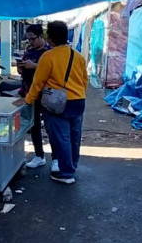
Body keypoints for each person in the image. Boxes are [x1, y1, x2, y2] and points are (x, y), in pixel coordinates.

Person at [14, 21, 88, 185]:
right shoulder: (78, 56)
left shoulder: (48, 57)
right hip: (78, 101)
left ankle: (66, 173)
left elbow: (38, 83)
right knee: (74, 137)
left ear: (49, 38)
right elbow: (84, 80)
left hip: (57, 104)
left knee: (62, 138)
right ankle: (72, 167)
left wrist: (27, 99)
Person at [17, 24, 53, 170]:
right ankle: (39, 156)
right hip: (30, 93)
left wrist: (35, 66)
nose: (30, 42)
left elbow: (53, 72)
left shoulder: (49, 52)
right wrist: (21, 68)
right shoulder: (29, 51)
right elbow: (24, 72)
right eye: (28, 39)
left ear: (41, 36)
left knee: (51, 127)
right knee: (34, 125)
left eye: (33, 39)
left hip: (46, 95)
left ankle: (56, 159)